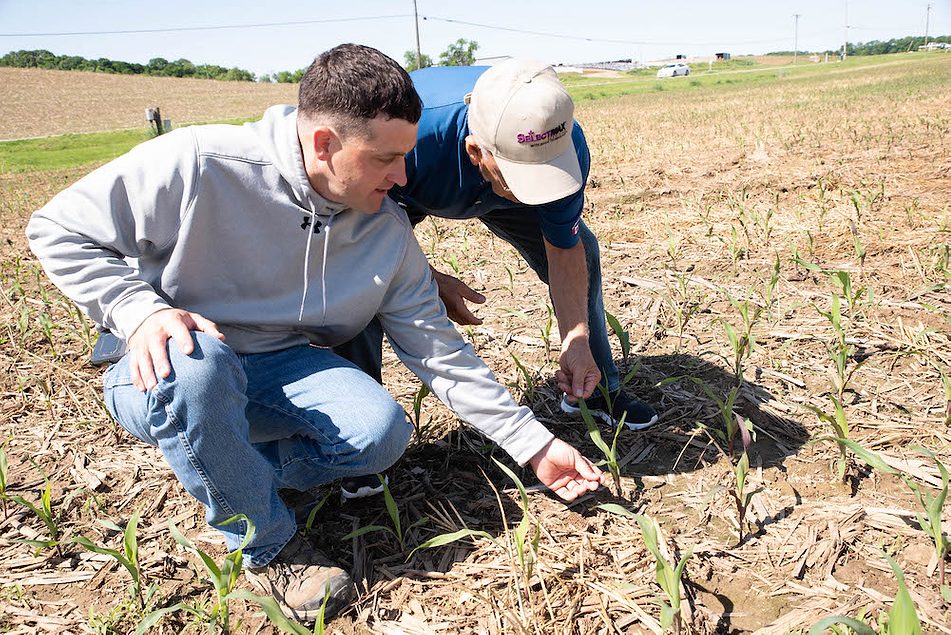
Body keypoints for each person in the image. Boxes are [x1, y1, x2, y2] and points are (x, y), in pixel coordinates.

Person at [26, 44, 605, 623]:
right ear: (324, 143)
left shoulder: (385, 227)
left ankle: (224, 468)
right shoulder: (201, 162)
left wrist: (536, 447)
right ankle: (269, 545)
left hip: (278, 364)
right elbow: (56, 228)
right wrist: (138, 310)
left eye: (407, 156)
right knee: (196, 362)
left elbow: (437, 350)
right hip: (171, 364)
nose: (404, 177)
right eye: (386, 159)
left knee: (380, 436)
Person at [336, 59, 659, 431]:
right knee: (365, 284)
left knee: (584, 248)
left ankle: (597, 385)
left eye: (545, 176)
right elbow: (357, 237)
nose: (534, 193)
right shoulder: (410, 139)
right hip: (403, 192)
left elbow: (564, 249)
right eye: (521, 177)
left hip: (479, 185)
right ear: (476, 153)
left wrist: (576, 338)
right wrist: (429, 279)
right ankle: (360, 430)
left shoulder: (560, 142)